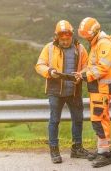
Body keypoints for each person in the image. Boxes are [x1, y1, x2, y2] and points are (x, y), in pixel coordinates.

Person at [35, 20, 92, 164]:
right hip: (55, 91)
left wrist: (81, 74)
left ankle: (77, 149)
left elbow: (87, 66)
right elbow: (39, 65)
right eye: (62, 39)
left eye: (68, 39)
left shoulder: (80, 49)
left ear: (72, 36)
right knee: (54, 121)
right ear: (57, 37)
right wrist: (49, 71)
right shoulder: (49, 48)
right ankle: (54, 150)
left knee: (78, 119)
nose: (65, 42)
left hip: (74, 90)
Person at [74, 17, 111, 168]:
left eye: (87, 35)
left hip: (102, 89)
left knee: (99, 121)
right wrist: (81, 73)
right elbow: (92, 66)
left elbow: (102, 68)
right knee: (100, 119)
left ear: (95, 32)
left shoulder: (104, 44)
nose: (85, 38)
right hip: (97, 89)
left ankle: (105, 154)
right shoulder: (96, 43)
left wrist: (85, 75)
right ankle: (101, 150)